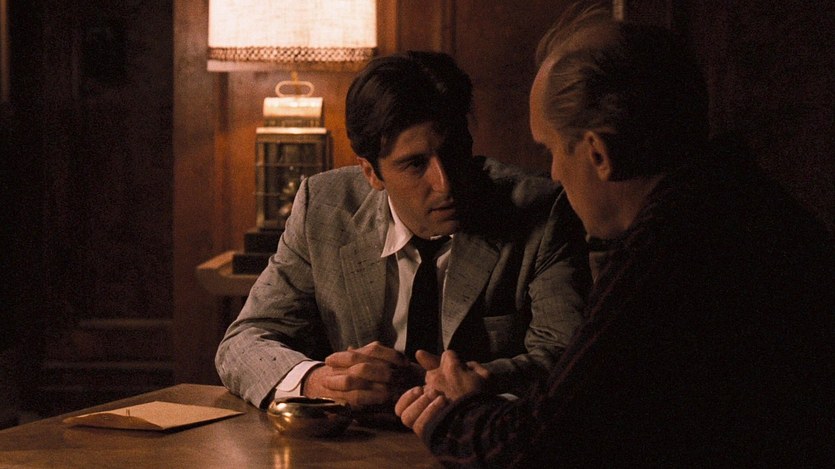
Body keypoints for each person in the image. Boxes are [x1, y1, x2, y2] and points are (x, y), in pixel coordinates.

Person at [395, 5, 835, 467]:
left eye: (551, 150)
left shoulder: (668, 253)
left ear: (598, 153)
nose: (554, 173)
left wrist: (452, 411)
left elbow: (539, 447)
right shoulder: (738, 201)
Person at [215, 50, 590, 413]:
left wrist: (457, 384)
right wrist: (319, 382)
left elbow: (566, 356)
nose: (444, 184)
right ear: (371, 173)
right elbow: (244, 341)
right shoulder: (323, 208)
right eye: (415, 165)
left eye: (454, 152)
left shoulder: (540, 211)